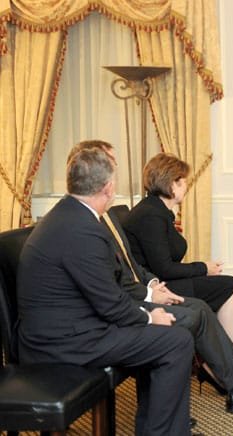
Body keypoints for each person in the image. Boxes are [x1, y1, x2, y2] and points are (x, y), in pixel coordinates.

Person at [71, 141, 233, 413]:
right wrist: (166, 290)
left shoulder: (145, 213)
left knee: (209, 300)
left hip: (147, 287)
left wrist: (150, 286)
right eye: (183, 182)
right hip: (135, 301)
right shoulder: (142, 215)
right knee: (214, 296)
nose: (115, 175)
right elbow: (156, 270)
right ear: (171, 184)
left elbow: (133, 268)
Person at [16, 147, 194, 435]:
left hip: (65, 327)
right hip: (64, 342)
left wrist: (148, 311)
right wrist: (150, 317)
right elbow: (110, 304)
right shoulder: (82, 230)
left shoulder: (68, 215)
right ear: (109, 188)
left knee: (168, 334)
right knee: (176, 341)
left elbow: (106, 294)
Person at [123, 153, 233, 352]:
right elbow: (165, 269)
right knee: (229, 285)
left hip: (160, 281)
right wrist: (203, 268)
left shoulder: (157, 210)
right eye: (183, 181)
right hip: (158, 288)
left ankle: (226, 355)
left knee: (227, 284)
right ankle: (231, 355)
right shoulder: (151, 215)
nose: (186, 186)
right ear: (172, 184)